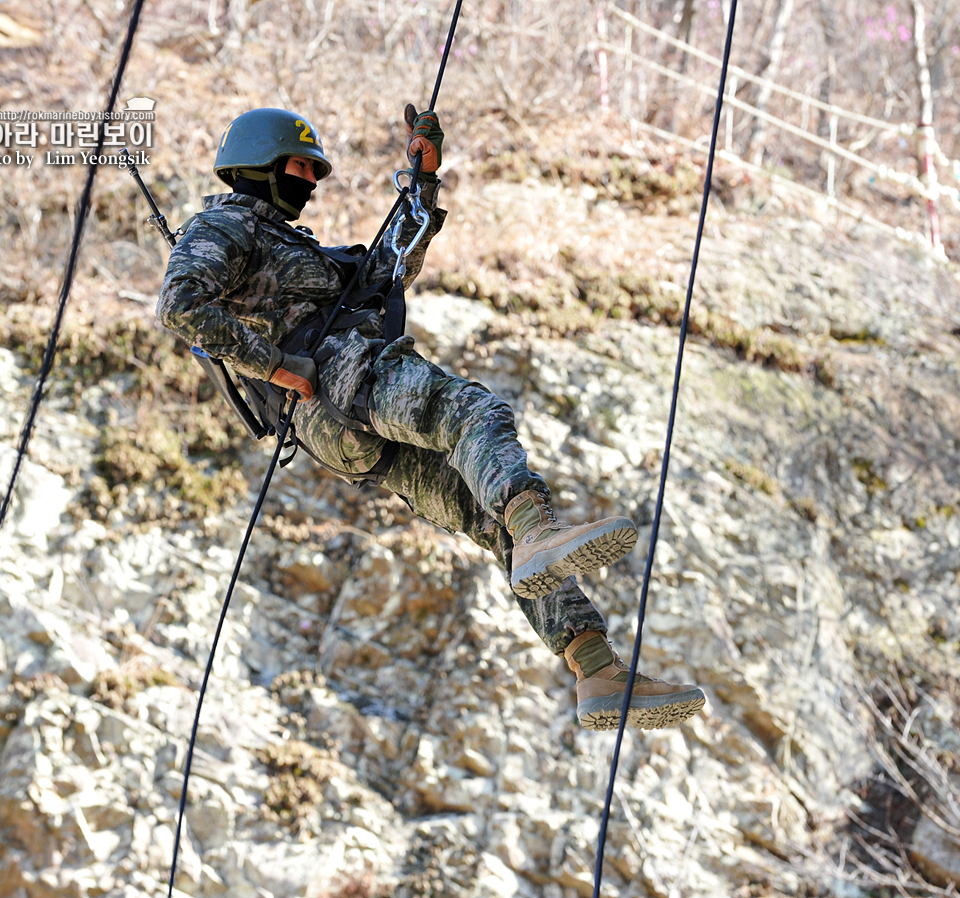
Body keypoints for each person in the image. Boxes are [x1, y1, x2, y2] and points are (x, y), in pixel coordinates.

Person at [158, 107, 705, 730]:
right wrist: (279, 364)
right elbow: (180, 306)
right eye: (301, 165)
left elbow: (383, 270)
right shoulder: (225, 226)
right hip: (337, 377)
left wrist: (423, 181)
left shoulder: (289, 245)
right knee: (469, 410)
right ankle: (536, 531)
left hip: (335, 424)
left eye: (314, 168)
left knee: (485, 516)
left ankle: (595, 668)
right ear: (259, 163)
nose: (311, 179)